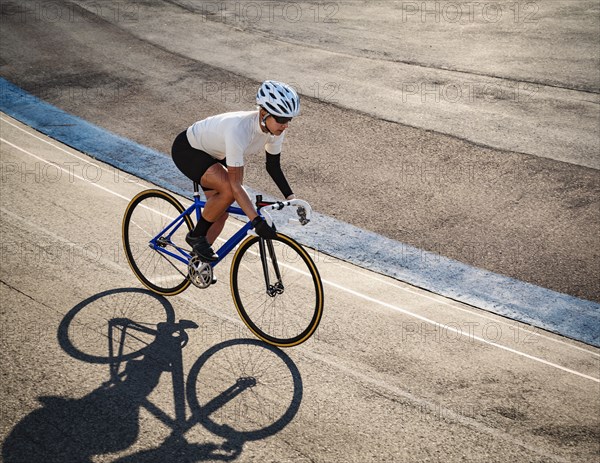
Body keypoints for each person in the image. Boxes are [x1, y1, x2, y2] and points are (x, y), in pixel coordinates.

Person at [171, 80, 300, 262]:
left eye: (289, 120)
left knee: (221, 213)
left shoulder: (276, 130)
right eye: (281, 119)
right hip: (189, 149)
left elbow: (273, 167)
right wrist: (256, 220)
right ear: (263, 114)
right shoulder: (239, 129)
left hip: (216, 151)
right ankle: (196, 236)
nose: (285, 125)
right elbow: (235, 185)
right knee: (229, 190)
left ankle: (197, 264)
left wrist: (292, 199)